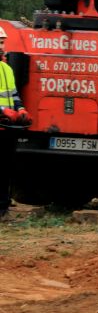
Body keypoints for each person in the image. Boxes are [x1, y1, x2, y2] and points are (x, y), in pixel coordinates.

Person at [0, 27, 31, 219]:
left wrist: (20, 109)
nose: (1, 46)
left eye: (2, 42)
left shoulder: (6, 68)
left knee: (5, 168)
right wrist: (3, 110)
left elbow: (13, 94)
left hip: (6, 127)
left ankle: (3, 208)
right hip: (3, 120)